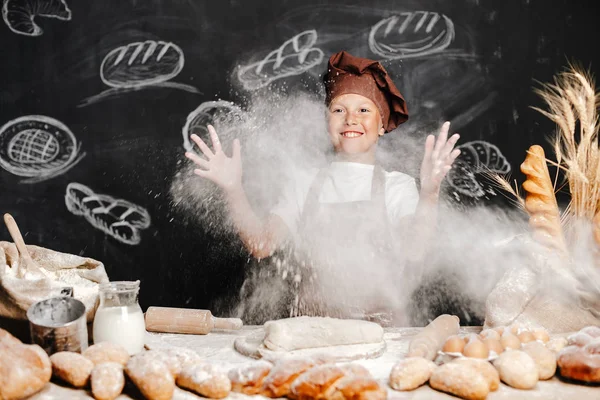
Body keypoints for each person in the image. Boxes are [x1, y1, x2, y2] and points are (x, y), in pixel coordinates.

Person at [185, 51, 460, 324]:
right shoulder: (303, 182)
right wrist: (234, 189)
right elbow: (261, 244)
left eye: (363, 110)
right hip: (311, 330)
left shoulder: (396, 186)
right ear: (328, 122)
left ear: (381, 125)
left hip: (383, 332)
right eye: (339, 110)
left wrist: (430, 194)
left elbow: (414, 249)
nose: (351, 118)